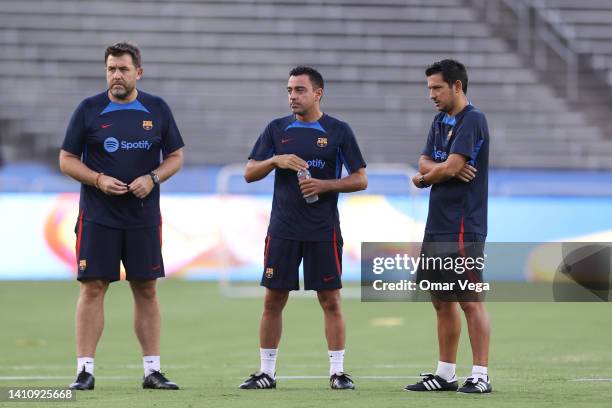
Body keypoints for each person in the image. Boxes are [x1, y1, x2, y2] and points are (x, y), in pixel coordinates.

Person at [59, 42, 184, 391]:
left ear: (138, 73)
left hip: (143, 216)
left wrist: (153, 178)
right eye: (111, 68)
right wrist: (98, 179)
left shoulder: (157, 109)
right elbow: (66, 159)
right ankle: (84, 370)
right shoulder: (88, 109)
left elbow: (175, 156)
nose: (116, 75)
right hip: (98, 216)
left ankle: (152, 371)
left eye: (123, 69)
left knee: (145, 288)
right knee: (93, 287)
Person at [239, 66, 367, 390]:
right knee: (273, 300)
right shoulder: (276, 130)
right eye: (289, 90)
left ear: (318, 93)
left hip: (322, 230)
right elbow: (250, 171)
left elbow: (360, 178)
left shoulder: (338, 131)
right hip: (282, 229)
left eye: (299, 90)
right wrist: (275, 161)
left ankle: (338, 372)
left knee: (331, 300)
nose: (292, 96)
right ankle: (267, 372)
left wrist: (325, 185)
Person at [405, 59, 492, 394]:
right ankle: (445, 374)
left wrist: (428, 175)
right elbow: (427, 161)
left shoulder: (474, 120)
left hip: (462, 225)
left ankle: (481, 374)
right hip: (437, 223)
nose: (431, 94)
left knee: (470, 300)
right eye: (429, 88)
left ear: (457, 86)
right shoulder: (440, 120)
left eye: (437, 87)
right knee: (440, 300)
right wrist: (437, 170)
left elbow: (448, 166)